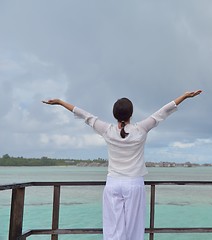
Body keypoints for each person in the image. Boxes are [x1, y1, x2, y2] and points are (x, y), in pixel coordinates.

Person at [42, 90, 202, 240]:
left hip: (113, 184)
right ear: (131, 114)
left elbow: (85, 115)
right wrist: (184, 96)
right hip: (134, 184)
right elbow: (163, 112)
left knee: (113, 230)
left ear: (114, 115)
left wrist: (61, 102)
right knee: (134, 229)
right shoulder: (140, 129)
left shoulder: (107, 130)